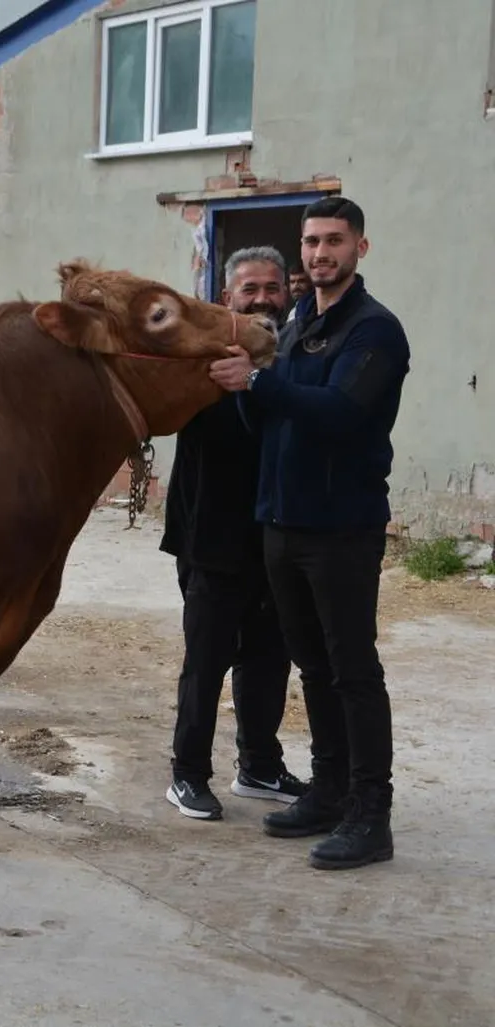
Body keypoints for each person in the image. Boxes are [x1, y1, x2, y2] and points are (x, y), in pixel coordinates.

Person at [209, 196, 410, 870]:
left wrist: (259, 382)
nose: (320, 254)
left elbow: (341, 414)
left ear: (360, 247)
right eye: (312, 242)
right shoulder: (296, 323)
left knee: (353, 670)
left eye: (333, 241)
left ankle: (369, 812)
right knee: (314, 666)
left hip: (341, 529)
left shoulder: (376, 332)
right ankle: (326, 792)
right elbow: (269, 419)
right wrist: (243, 390)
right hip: (282, 522)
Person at [160, 246, 307, 820]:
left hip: (274, 536)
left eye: (272, 287)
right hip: (210, 538)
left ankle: (260, 766)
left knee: (270, 658)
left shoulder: (292, 355)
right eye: (250, 289)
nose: (263, 298)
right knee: (207, 661)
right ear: (229, 299)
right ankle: (187, 775)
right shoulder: (203, 359)